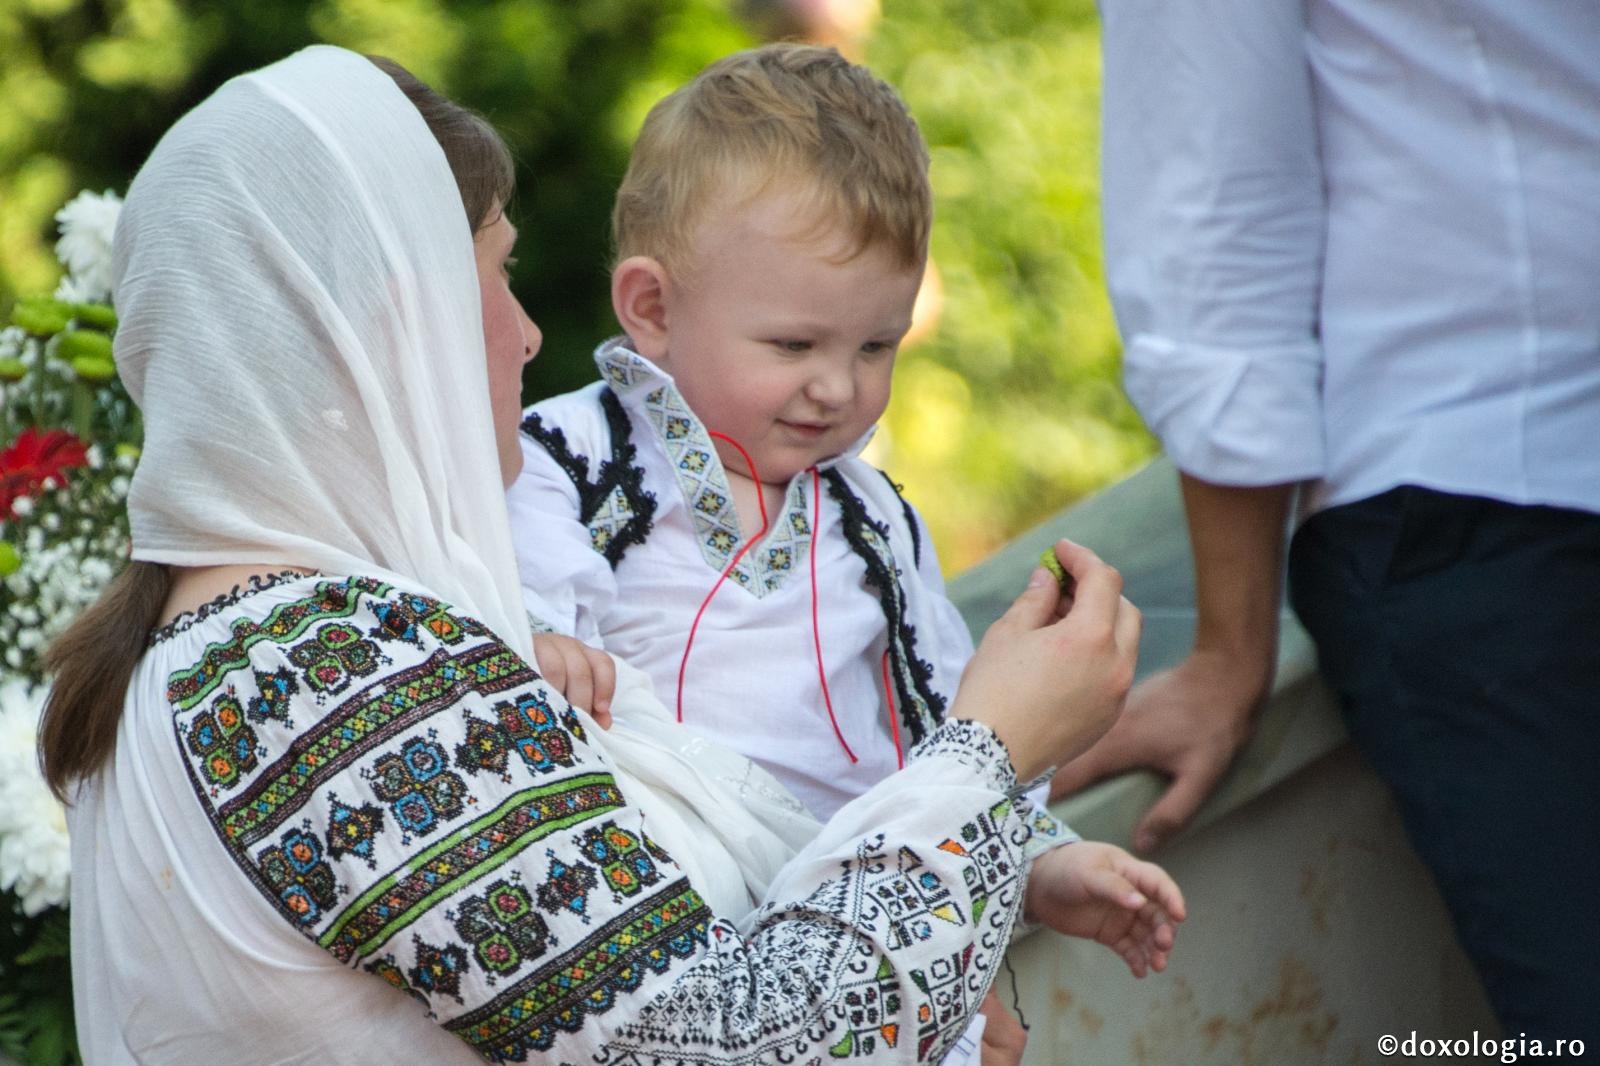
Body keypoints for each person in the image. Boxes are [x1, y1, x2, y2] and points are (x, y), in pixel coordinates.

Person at [38, 45, 1145, 1064]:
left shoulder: (225, 657)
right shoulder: (329, 677)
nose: (527, 334)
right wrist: (991, 753)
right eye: (498, 278)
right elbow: (729, 1048)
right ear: (388, 329)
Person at [504, 41, 1185, 1004]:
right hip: (658, 941)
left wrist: (1037, 862)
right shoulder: (568, 461)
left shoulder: (873, 522)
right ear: (651, 306)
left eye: (878, 345)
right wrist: (540, 641)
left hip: (846, 941)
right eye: (793, 344)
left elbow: (947, 727)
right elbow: (515, 612)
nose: (838, 387)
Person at [1062, 0, 1600, 1039]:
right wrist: (1230, 647)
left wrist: (1230, 644)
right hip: (1487, 490)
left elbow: (1208, 195)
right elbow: (1218, 207)